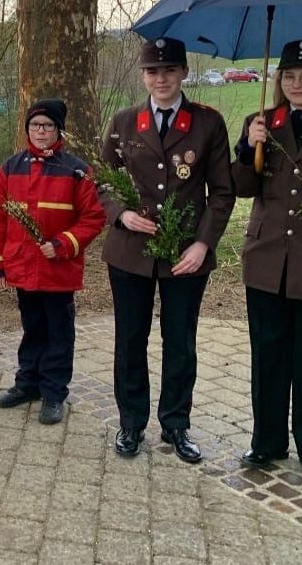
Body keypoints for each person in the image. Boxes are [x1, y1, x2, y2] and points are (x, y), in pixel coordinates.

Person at [101, 38, 234, 462]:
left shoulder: (207, 123)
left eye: (169, 70)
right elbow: (102, 180)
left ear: (183, 73)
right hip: (130, 252)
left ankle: (176, 424)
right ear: (143, 76)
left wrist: (203, 244)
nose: (161, 78)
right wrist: (120, 214)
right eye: (152, 71)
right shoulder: (124, 121)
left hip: (184, 254)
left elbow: (222, 192)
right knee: (130, 339)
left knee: (180, 342)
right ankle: (132, 422)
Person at [0, 99, 105, 423]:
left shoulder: (76, 170)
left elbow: (93, 218)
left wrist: (64, 243)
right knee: (32, 328)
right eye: (35, 125)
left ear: (57, 130)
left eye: (48, 125)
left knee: (58, 333)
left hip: (58, 271)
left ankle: (54, 393)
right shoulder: (11, 167)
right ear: (27, 129)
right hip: (22, 266)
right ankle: (28, 384)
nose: (41, 131)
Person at [232, 39, 302, 467]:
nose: (297, 84)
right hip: (267, 260)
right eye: (290, 76)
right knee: (269, 355)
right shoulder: (261, 122)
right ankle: (268, 440)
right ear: (279, 80)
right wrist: (247, 148)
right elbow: (243, 188)